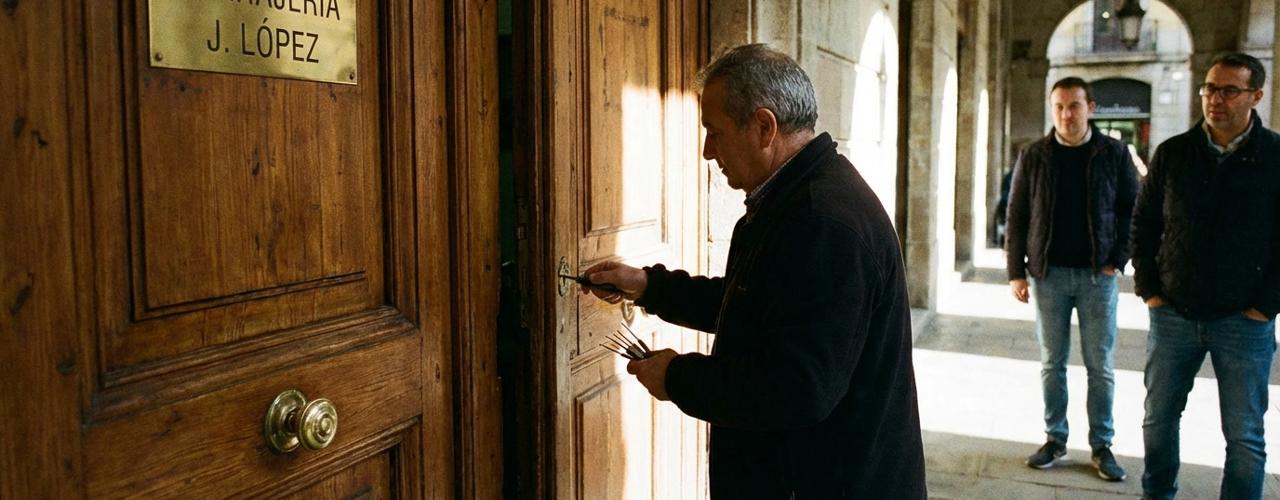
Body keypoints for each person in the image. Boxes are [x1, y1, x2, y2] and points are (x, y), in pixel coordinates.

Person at [578, 44, 925, 499]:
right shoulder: (794, 200)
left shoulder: (823, 222)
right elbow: (755, 305)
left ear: (764, 127)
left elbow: (797, 389)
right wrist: (648, 286)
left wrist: (678, 377)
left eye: (714, 132)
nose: (706, 151)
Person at [1131, 52, 1280, 500]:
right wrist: (1150, 290)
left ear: (1256, 95)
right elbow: (1145, 223)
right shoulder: (1174, 152)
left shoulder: (1275, 156)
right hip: (1174, 312)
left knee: (1244, 435)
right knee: (1158, 421)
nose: (1215, 99)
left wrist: (1266, 305)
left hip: (1244, 321)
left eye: (1229, 90)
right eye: (1210, 88)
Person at [1004, 77, 1139, 481]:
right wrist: (1016, 272)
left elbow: (1133, 210)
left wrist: (1117, 260)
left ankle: (1102, 445)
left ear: (1091, 108)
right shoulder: (1035, 154)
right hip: (1049, 275)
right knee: (1052, 363)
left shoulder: (1114, 153)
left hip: (1099, 277)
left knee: (1100, 366)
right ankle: (1055, 438)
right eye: (1059, 106)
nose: (1067, 114)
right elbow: (1017, 214)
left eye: (1075, 105)